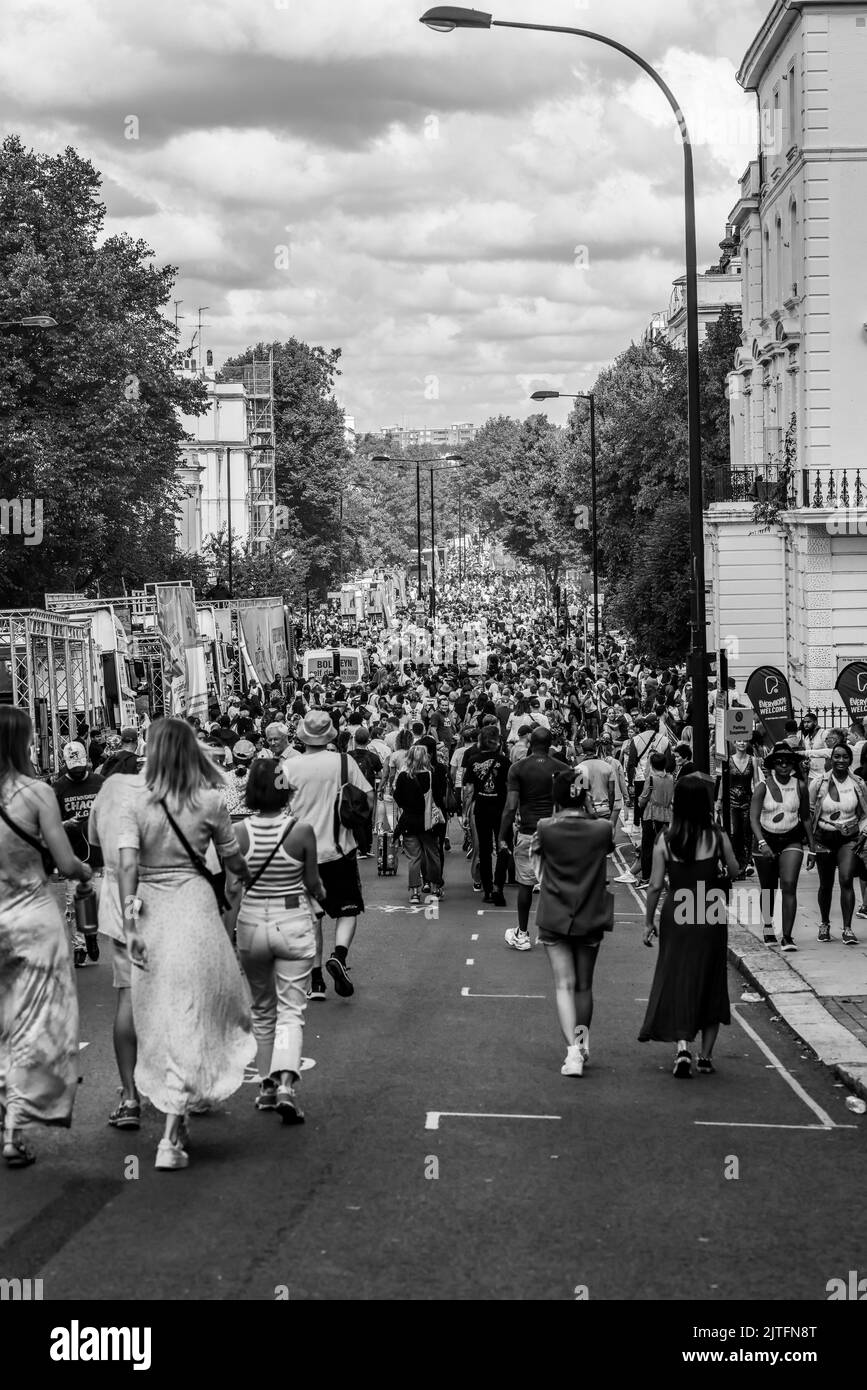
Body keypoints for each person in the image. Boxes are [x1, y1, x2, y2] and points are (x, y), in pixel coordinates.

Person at [116, 718, 255, 1171]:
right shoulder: (210, 801)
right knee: (193, 1008)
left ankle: (174, 1112)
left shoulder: (135, 802)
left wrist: (131, 924)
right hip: (195, 909)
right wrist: (242, 882)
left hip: (152, 911)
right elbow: (233, 860)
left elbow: (127, 869)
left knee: (161, 1014)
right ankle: (173, 1131)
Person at [0, 707, 92, 1167]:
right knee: (31, 1023)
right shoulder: (36, 793)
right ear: (22, 743)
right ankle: (14, 1131)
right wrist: (85, 872)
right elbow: (64, 861)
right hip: (32, 919)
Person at [231, 761, 326, 1123]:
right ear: (286, 789)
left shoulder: (239, 832)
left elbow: (232, 887)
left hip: (252, 923)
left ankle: (267, 1086)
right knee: (291, 1011)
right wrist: (320, 892)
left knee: (262, 1008)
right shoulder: (301, 831)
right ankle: (286, 1085)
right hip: (293, 922)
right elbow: (313, 882)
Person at [639, 773, 739, 1077]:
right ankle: (706, 1056)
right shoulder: (717, 836)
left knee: (679, 976)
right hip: (708, 910)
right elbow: (734, 870)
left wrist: (648, 922)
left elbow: (655, 885)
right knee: (711, 979)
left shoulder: (665, 839)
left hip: (677, 910)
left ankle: (682, 1047)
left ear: (678, 803)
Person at [280, 711, 374, 1002]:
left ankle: (316, 981)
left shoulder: (287, 766)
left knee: (310, 918)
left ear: (302, 736)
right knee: (348, 911)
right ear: (330, 735)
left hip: (299, 854)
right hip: (339, 850)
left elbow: (273, 806)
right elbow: (368, 797)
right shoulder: (344, 763)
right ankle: (339, 956)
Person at [531, 769, 614, 1077]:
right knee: (584, 986)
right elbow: (605, 849)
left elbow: (534, 862)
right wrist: (590, 810)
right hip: (591, 912)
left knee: (563, 985)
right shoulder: (602, 829)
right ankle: (581, 1042)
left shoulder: (545, 828)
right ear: (584, 795)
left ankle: (573, 1053)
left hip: (555, 913)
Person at [89, 765, 148, 1130]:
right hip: (168, 898)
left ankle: (129, 1096)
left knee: (128, 996)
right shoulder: (172, 791)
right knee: (176, 997)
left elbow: (94, 842)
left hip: (122, 904)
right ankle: (181, 1086)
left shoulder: (109, 791)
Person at [498, 727, 569, 951]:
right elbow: (576, 803)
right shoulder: (565, 769)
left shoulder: (518, 768)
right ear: (551, 744)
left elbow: (510, 807)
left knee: (526, 886)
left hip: (529, 832)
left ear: (530, 741)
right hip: (556, 833)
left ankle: (522, 934)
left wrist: (502, 836)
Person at [749, 742, 817, 951]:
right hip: (765, 839)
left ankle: (787, 936)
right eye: (779, 762)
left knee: (788, 885)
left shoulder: (800, 786)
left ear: (793, 765)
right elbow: (753, 818)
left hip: (791, 839)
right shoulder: (762, 787)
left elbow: (806, 818)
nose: (784, 766)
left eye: (788, 762)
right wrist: (762, 843)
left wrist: (812, 848)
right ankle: (768, 927)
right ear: (773, 765)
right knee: (769, 887)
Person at [809, 743, 867, 945]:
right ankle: (824, 924)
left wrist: (863, 833)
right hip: (824, 838)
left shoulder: (858, 783)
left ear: (850, 760)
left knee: (846, 879)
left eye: (845, 757)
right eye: (837, 756)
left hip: (849, 839)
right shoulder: (818, 783)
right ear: (830, 759)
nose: (840, 760)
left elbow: (865, 813)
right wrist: (810, 845)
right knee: (825, 884)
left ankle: (848, 928)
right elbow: (809, 815)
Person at [463, 725, 510, 906]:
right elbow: (509, 787)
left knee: (484, 850)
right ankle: (499, 885)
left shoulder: (474, 761)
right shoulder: (504, 762)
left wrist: (465, 813)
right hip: (501, 809)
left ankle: (488, 889)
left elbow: (469, 790)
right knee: (503, 846)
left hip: (481, 808)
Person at [393, 744, 445, 904]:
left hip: (409, 820)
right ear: (426, 757)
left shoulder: (403, 777)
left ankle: (415, 892)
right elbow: (439, 796)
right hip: (428, 821)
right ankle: (436, 887)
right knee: (432, 854)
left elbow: (397, 797)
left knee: (413, 857)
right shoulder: (431, 775)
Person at [637, 750, 674, 887]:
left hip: (651, 816)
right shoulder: (670, 778)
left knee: (647, 849)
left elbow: (643, 799)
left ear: (651, 764)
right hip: (666, 816)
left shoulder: (651, 779)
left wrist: (639, 800)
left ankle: (646, 878)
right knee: (664, 848)